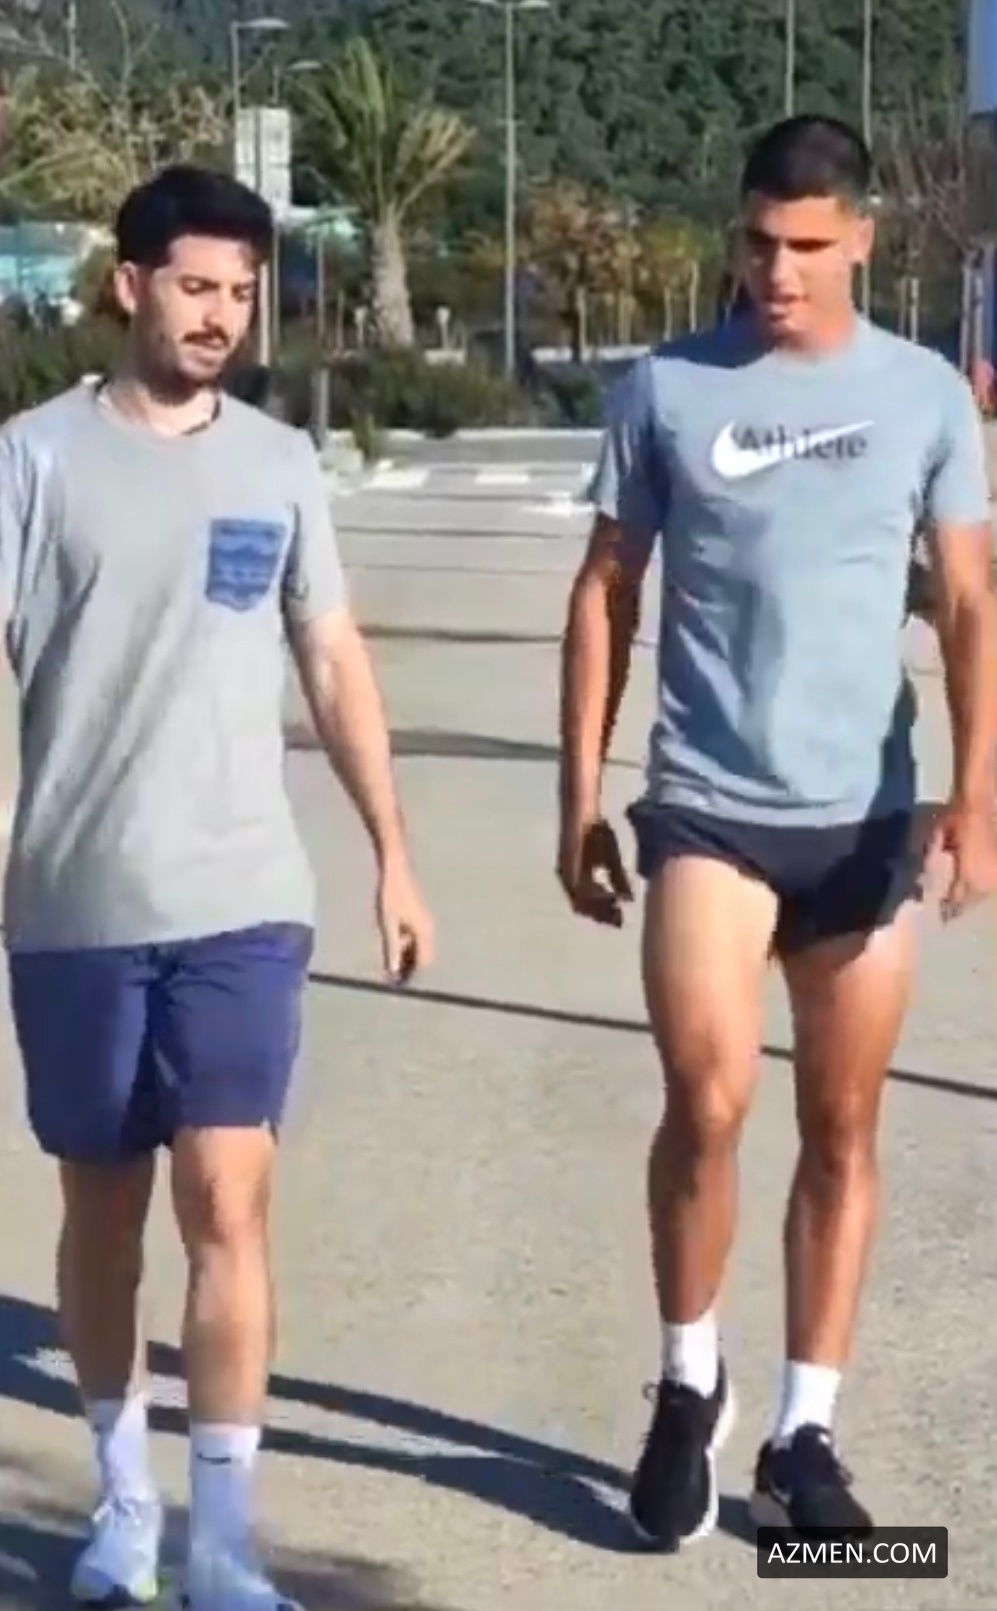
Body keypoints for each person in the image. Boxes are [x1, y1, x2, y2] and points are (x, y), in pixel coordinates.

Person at [557, 114, 997, 1549]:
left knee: (843, 1124)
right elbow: (605, 589)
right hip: (708, 804)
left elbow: (970, 601)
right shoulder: (667, 387)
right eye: (758, 242)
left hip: (863, 815)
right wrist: (577, 795)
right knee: (707, 1099)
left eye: (809, 245)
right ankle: (689, 1380)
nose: (780, 272)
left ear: (861, 238)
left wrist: (979, 797)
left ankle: (804, 1435)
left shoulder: (924, 397)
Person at [0, 165, 433, 1609]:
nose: (221, 316)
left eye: (242, 293)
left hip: (245, 897)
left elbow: (331, 657)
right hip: (76, 902)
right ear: (129, 284)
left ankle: (224, 1544)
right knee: (103, 1213)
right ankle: (126, 1500)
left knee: (228, 1199)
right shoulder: (33, 461)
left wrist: (391, 850)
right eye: (195, 287)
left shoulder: (278, 462)